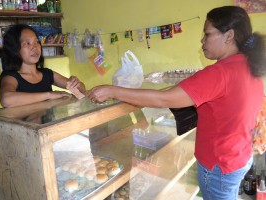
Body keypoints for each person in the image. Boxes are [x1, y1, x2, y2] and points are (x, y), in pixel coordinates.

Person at [87, 6, 266, 200]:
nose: (202, 40)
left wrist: (112, 90)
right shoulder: (248, 66)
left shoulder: (220, 73)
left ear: (229, 35)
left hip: (218, 165)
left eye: (207, 34)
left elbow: (164, 98)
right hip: (238, 157)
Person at [0, 24, 86, 108]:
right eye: (27, 43)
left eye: (37, 42)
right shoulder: (10, 77)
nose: (35, 47)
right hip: (25, 123)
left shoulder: (47, 74)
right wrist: (49, 95)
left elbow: (82, 88)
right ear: (14, 49)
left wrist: (75, 83)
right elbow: (6, 100)